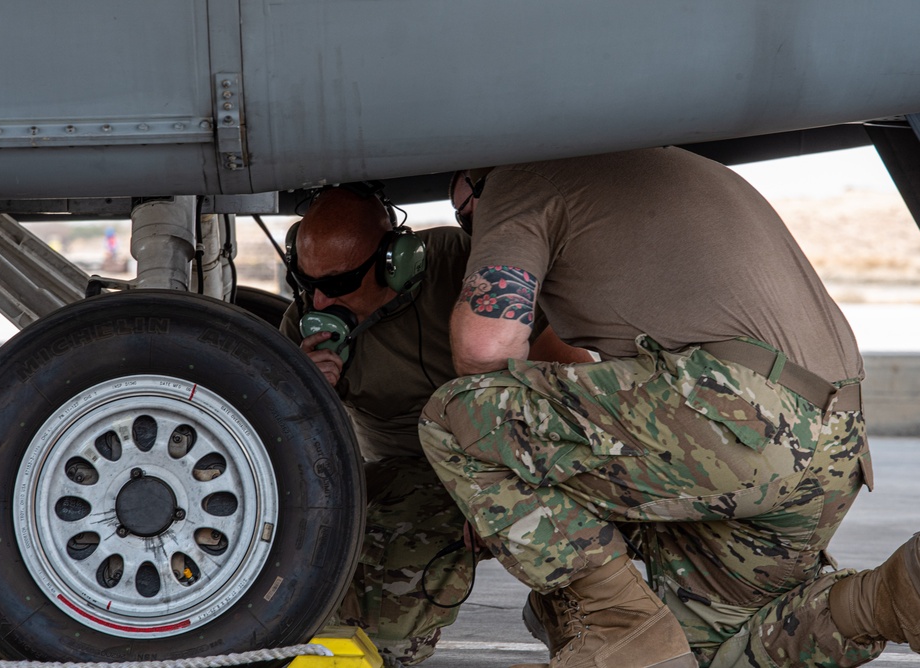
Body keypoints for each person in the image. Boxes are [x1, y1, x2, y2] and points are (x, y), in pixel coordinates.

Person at [419, 148, 920, 668]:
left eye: (463, 214)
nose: (469, 227)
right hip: (835, 438)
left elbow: (486, 347)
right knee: (704, 650)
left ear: (471, 180)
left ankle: (619, 625)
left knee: (457, 415)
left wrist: (496, 489)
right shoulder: (670, 166)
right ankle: (891, 597)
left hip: (733, 420)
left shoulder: (514, 175)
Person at [280, 187, 591, 666]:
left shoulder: (464, 269)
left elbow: (570, 383)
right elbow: (286, 452)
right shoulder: (309, 320)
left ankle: (578, 604)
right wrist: (305, 389)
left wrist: (500, 486)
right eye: (306, 279)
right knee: (384, 640)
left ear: (393, 260)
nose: (320, 297)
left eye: (339, 284)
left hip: (508, 455)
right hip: (404, 472)